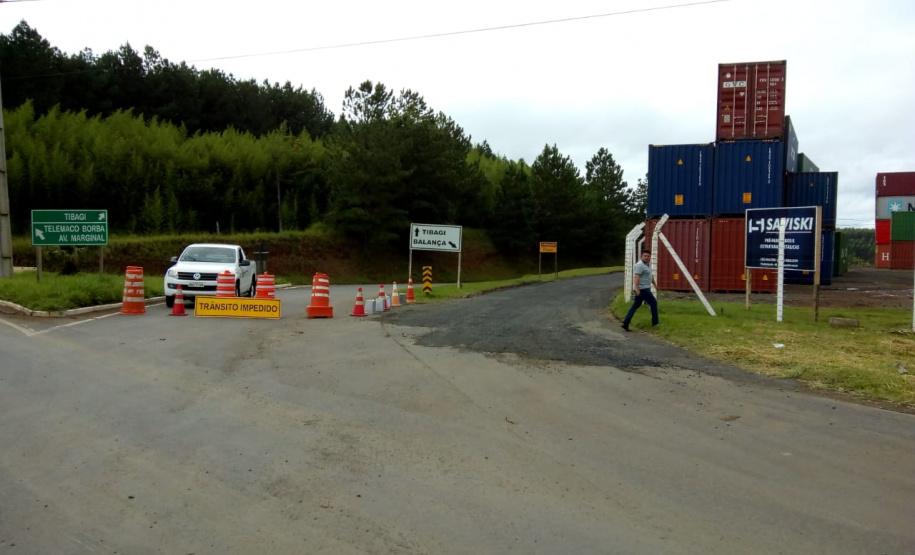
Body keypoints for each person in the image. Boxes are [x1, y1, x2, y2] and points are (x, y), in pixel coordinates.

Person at [621, 249, 659, 331]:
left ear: (650, 257)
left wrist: (655, 284)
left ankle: (626, 322)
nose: (646, 257)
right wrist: (637, 289)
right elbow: (636, 278)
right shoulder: (639, 265)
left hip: (645, 287)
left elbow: (650, 276)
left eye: (648, 256)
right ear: (641, 256)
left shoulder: (648, 264)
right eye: (645, 256)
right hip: (642, 288)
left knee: (636, 305)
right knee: (653, 303)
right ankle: (655, 323)